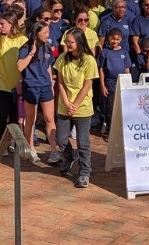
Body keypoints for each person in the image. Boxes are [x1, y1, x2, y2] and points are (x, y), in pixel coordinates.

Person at [54, 28, 99, 188]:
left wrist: (76, 105)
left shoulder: (89, 60)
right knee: (60, 138)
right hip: (65, 106)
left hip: (83, 106)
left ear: (79, 42)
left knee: (83, 141)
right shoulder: (62, 58)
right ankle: (70, 155)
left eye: (70, 42)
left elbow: (87, 86)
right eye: (66, 41)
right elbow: (60, 82)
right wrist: (66, 103)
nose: (67, 44)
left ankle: (84, 172)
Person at [18, 21, 59, 163]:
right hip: (31, 86)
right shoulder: (25, 48)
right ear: (37, 33)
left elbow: (48, 67)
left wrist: (51, 84)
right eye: (45, 33)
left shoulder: (48, 47)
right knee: (31, 119)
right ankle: (31, 149)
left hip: (45, 86)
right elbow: (20, 67)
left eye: (48, 32)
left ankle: (54, 151)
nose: (48, 35)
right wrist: (32, 52)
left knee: (50, 118)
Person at [0, 11, 26, 153]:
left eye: (3, 24)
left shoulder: (22, 40)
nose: (0, 26)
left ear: (11, 25)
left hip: (16, 83)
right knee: (2, 115)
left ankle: (13, 140)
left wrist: (21, 81)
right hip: (2, 82)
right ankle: (2, 143)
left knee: (15, 115)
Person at [97, 28, 130, 134]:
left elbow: (127, 69)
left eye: (117, 39)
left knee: (122, 108)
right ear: (108, 39)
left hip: (122, 85)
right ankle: (110, 131)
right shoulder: (105, 53)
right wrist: (102, 85)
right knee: (110, 109)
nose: (115, 41)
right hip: (110, 85)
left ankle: (122, 131)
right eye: (113, 39)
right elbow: (101, 69)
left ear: (120, 39)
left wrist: (128, 84)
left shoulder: (124, 52)